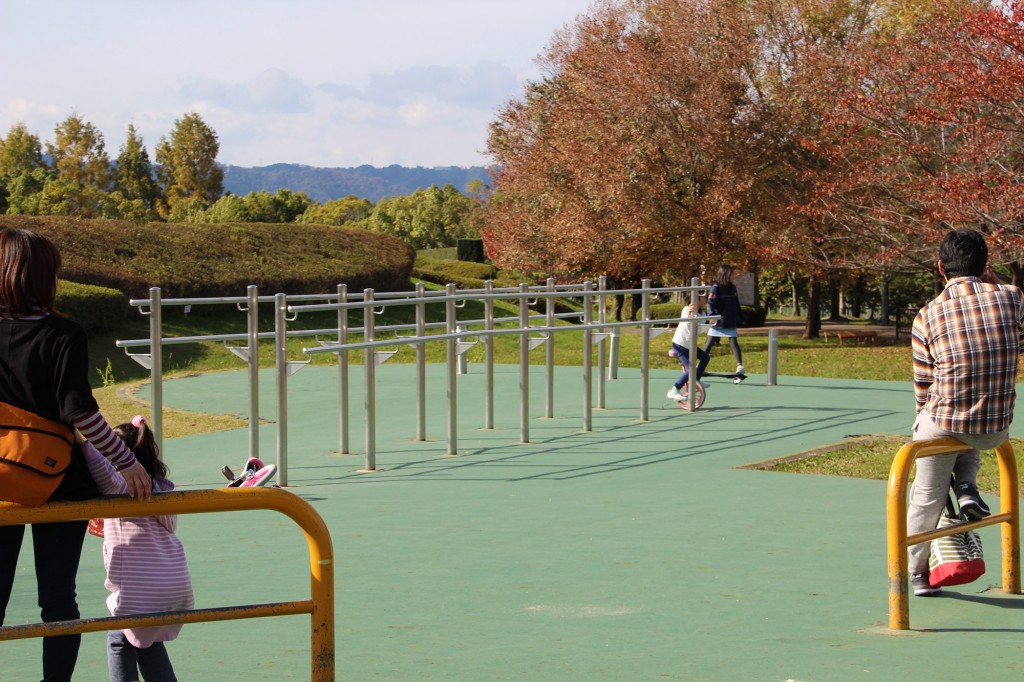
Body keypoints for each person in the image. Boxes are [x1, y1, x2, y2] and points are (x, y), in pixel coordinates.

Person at [0, 228, 152, 682]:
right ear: (45, 277)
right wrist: (127, 462)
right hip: (57, 481)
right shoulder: (63, 333)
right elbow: (80, 413)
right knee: (59, 602)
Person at [907, 227, 1024, 597]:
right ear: (986, 265)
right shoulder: (1014, 298)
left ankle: (915, 575)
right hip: (997, 427)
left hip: (946, 422)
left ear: (941, 268)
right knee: (967, 419)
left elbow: (923, 390)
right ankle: (968, 486)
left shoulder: (927, 315)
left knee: (925, 493)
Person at [81, 415, 193, 682]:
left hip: (139, 594)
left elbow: (94, 460)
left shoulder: (120, 486)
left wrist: (79, 434)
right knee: (148, 643)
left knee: (119, 639)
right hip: (175, 590)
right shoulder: (165, 490)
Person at [667, 295, 710, 404]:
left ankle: (695, 380)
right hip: (680, 344)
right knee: (690, 369)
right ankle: (674, 389)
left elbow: (699, 328)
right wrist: (690, 313)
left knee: (705, 357)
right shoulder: (686, 309)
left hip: (690, 344)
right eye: (704, 297)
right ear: (697, 299)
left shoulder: (702, 313)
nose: (706, 299)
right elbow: (687, 324)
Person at [703, 264, 744, 374]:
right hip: (718, 320)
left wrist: (740, 316)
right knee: (709, 342)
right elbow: (710, 303)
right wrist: (712, 316)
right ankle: (700, 366)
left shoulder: (732, 287)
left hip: (730, 319)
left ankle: (740, 366)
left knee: (734, 342)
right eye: (732, 273)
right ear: (725, 274)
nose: (734, 276)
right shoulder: (716, 288)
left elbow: (736, 303)